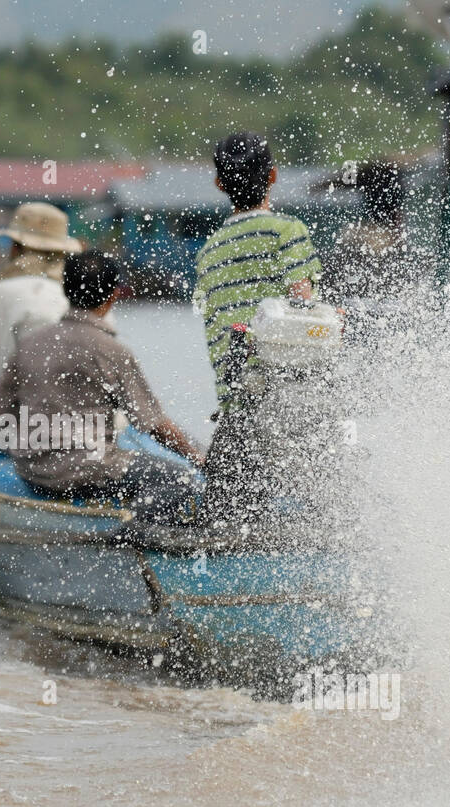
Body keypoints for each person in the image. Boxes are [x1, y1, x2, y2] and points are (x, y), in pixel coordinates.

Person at [0, 251, 203, 522]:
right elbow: (152, 424)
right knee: (181, 480)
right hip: (89, 472)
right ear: (113, 296)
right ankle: (131, 535)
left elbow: (1, 408)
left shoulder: (31, 344)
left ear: (66, 290)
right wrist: (197, 457)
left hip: (33, 473)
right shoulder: (110, 351)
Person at [192, 133, 331, 526]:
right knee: (332, 521)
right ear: (273, 175)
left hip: (236, 417)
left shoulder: (207, 253)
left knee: (226, 529)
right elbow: (304, 315)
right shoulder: (287, 231)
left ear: (220, 184)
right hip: (294, 407)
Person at [0, 202, 82, 394]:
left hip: (24, 412)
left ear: (16, 248)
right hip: (84, 410)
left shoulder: (3, 290)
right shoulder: (83, 290)